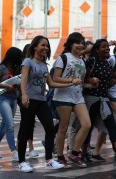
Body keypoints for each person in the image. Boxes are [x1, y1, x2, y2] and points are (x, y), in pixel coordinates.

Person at [18, 35, 71, 172]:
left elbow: (51, 83)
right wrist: (24, 95)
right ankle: (22, 162)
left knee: (49, 128)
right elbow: (23, 80)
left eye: (47, 46)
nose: (45, 48)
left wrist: (70, 83)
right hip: (29, 99)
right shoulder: (28, 62)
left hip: (41, 101)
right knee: (25, 129)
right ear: (35, 46)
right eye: (43, 45)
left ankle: (49, 160)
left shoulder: (44, 66)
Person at [84, 38, 116, 163]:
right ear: (97, 49)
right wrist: (91, 81)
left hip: (104, 98)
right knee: (88, 126)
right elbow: (83, 78)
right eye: (104, 47)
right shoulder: (92, 61)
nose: (107, 49)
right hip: (91, 98)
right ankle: (84, 152)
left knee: (112, 124)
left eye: (108, 47)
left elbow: (108, 83)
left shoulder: (107, 63)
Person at [53, 32, 94, 168]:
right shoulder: (64, 58)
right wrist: (71, 80)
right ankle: (60, 156)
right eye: (77, 43)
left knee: (87, 124)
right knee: (63, 127)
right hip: (63, 96)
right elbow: (55, 78)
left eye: (82, 43)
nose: (80, 45)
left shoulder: (82, 61)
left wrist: (90, 84)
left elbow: (80, 82)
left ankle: (74, 153)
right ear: (70, 44)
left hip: (78, 97)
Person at [0, 47, 23, 161]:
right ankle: (14, 151)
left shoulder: (17, 69)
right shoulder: (1, 68)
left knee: (5, 126)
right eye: (19, 57)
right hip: (3, 99)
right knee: (10, 125)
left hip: (14, 99)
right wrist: (6, 86)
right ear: (13, 57)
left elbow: (19, 83)